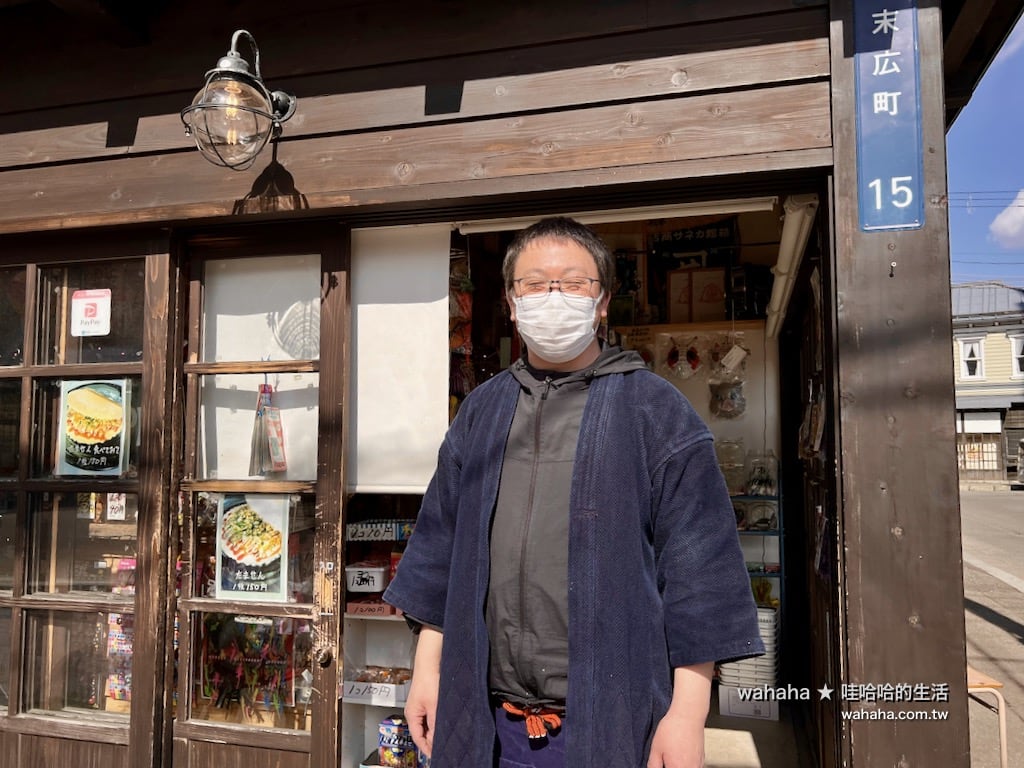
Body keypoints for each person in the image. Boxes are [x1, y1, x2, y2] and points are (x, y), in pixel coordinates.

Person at [383, 216, 764, 768]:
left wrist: (686, 716)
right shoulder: (483, 411)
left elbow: (700, 575)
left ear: (602, 301)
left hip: (613, 719)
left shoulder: (656, 411)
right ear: (512, 302)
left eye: (573, 283)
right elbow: (441, 547)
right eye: (534, 284)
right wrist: (428, 673)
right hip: (484, 718)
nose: (552, 297)